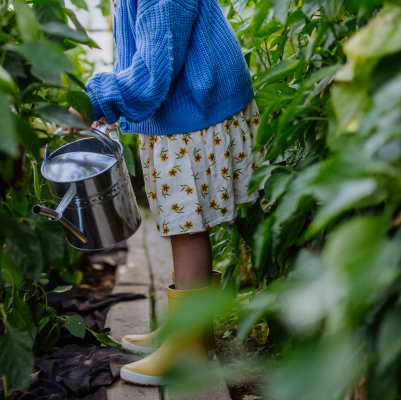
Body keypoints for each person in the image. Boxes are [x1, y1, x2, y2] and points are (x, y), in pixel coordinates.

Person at [68, 0, 265, 387]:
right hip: (182, 113)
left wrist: (96, 101)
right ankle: (189, 327)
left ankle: (188, 347)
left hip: (194, 116)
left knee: (187, 228)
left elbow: (155, 69)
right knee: (183, 223)